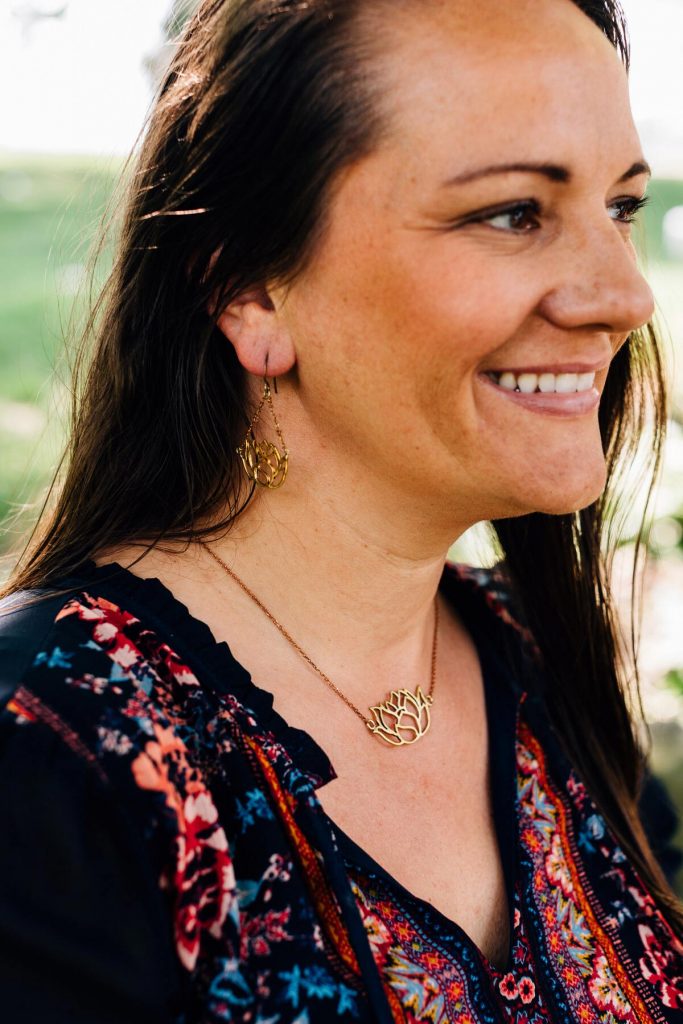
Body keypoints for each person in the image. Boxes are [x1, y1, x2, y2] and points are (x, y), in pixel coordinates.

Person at [0, 0, 682, 1020]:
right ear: (250, 290)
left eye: (619, 207)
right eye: (511, 213)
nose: (622, 294)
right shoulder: (49, 751)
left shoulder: (545, 667)